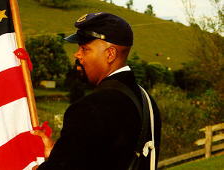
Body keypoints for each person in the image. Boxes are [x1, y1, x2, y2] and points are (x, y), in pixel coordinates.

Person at [32, 12, 161, 170]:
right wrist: (58, 154)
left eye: (85, 49)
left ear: (110, 54)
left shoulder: (89, 108)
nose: (77, 54)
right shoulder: (146, 101)